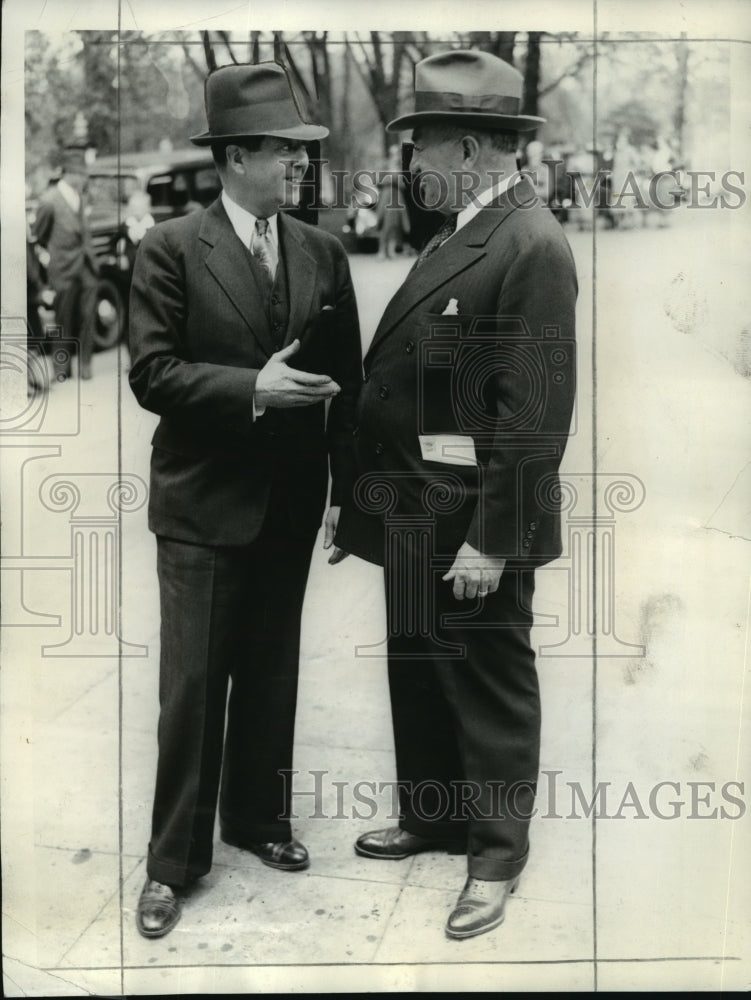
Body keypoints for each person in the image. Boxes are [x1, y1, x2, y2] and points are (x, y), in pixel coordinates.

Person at [334, 50, 577, 940]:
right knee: (419, 671)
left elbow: (534, 418)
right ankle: (432, 814)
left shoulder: (529, 242)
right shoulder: (468, 226)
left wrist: (490, 539)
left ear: (471, 146)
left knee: (487, 683)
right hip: (411, 509)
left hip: (471, 520)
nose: (411, 166)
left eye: (421, 148)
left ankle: (494, 859)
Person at [128, 61, 362, 939]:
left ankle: (259, 821)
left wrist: (345, 492)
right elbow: (151, 375)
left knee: (270, 670)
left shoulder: (320, 251)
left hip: (292, 503)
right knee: (192, 688)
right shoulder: (169, 249)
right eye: (279, 152)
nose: (296, 168)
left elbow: (349, 381)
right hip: (199, 505)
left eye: (300, 153)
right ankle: (173, 864)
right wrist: (252, 389)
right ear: (231, 158)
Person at [32, 146, 99, 380]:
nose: (84, 179)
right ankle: (62, 369)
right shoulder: (49, 201)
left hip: (86, 267)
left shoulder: (80, 196)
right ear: (70, 173)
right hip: (62, 269)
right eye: (82, 175)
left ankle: (86, 366)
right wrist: (48, 257)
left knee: (88, 316)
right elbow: (38, 236)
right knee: (63, 319)